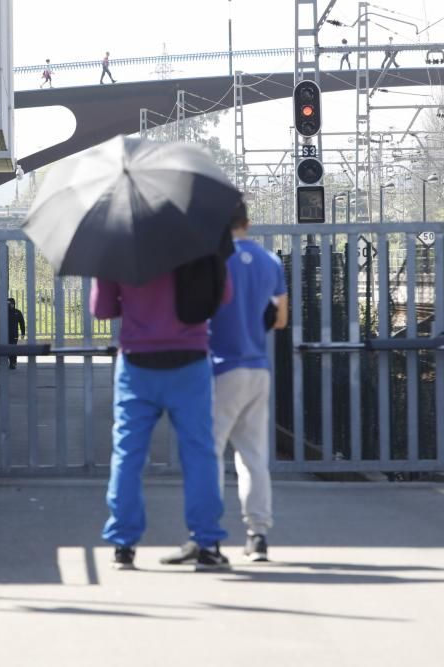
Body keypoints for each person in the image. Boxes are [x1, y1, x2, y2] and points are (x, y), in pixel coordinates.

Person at [92, 266, 231, 571]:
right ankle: (207, 542)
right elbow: (224, 295)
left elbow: (101, 310)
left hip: (137, 363)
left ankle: (123, 544)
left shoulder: (120, 245)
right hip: (190, 361)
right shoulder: (198, 242)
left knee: (127, 453)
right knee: (199, 452)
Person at [209, 200, 288, 562]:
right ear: (248, 222)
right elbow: (281, 320)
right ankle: (258, 535)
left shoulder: (215, 261)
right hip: (259, 366)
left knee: (209, 452)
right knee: (253, 456)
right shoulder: (271, 262)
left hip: (222, 367)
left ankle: (207, 533)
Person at [7, 298, 26, 369]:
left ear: (13, 304)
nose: (8, 305)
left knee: (13, 348)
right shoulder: (4, 312)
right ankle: (11, 361)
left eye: (9, 303)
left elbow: (22, 323)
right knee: (8, 349)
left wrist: (23, 332)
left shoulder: (17, 312)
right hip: (6, 334)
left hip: (14, 334)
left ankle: (13, 363)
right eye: (7, 303)